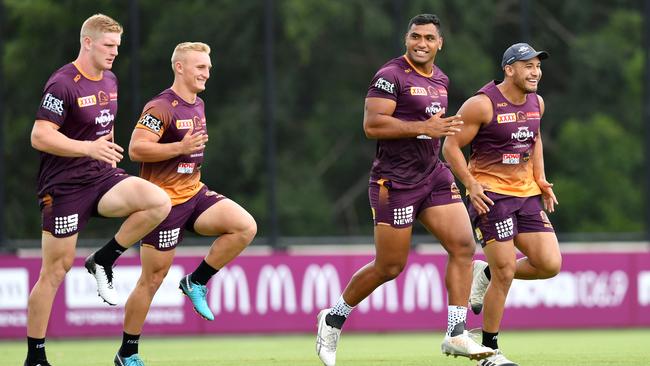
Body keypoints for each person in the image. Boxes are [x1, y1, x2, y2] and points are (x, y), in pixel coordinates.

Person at [315, 14, 494, 366]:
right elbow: (372, 125)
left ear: (440, 43)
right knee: (390, 266)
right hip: (393, 183)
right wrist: (423, 126)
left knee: (462, 245)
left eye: (429, 38)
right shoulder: (389, 76)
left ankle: (456, 332)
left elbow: (437, 130)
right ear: (406, 39)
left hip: (433, 175)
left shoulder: (441, 80)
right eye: (416, 37)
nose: (422, 43)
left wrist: (438, 133)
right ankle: (333, 318)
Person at [25, 14, 172, 366]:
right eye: (108, 45)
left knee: (157, 201)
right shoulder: (62, 84)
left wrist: (102, 152)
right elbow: (40, 136)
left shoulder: (110, 80)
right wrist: (88, 148)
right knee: (54, 271)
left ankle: (104, 258)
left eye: (118, 46)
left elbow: (101, 130)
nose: (114, 52)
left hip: (100, 178)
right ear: (87, 42)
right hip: (64, 187)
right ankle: (35, 358)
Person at [112, 42, 256, 366]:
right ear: (179, 67)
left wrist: (186, 153)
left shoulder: (199, 104)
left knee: (244, 226)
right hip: (162, 203)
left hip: (193, 193)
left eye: (208, 66)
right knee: (151, 280)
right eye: (200, 67)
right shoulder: (160, 106)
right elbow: (136, 149)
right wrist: (180, 147)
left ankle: (196, 281)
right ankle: (127, 353)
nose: (207, 72)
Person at [442, 43, 562, 366]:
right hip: (491, 196)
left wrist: (541, 179)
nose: (535, 72)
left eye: (538, 66)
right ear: (509, 70)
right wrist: (471, 184)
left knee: (550, 263)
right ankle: (490, 352)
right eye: (528, 66)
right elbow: (450, 147)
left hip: (526, 195)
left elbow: (533, 140)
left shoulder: (537, 102)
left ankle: (483, 276)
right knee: (506, 271)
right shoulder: (482, 105)